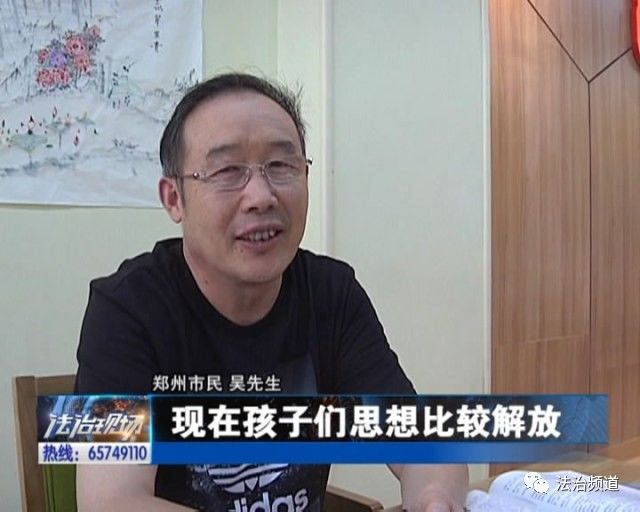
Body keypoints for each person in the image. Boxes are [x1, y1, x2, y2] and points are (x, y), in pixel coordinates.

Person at [75, 72, 468, 511]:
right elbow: (112, 501)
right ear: (174, 198)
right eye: (227, 170)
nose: (261, 196)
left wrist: (435, 497)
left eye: (281, 166)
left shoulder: (331, 294)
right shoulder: (129, 308)